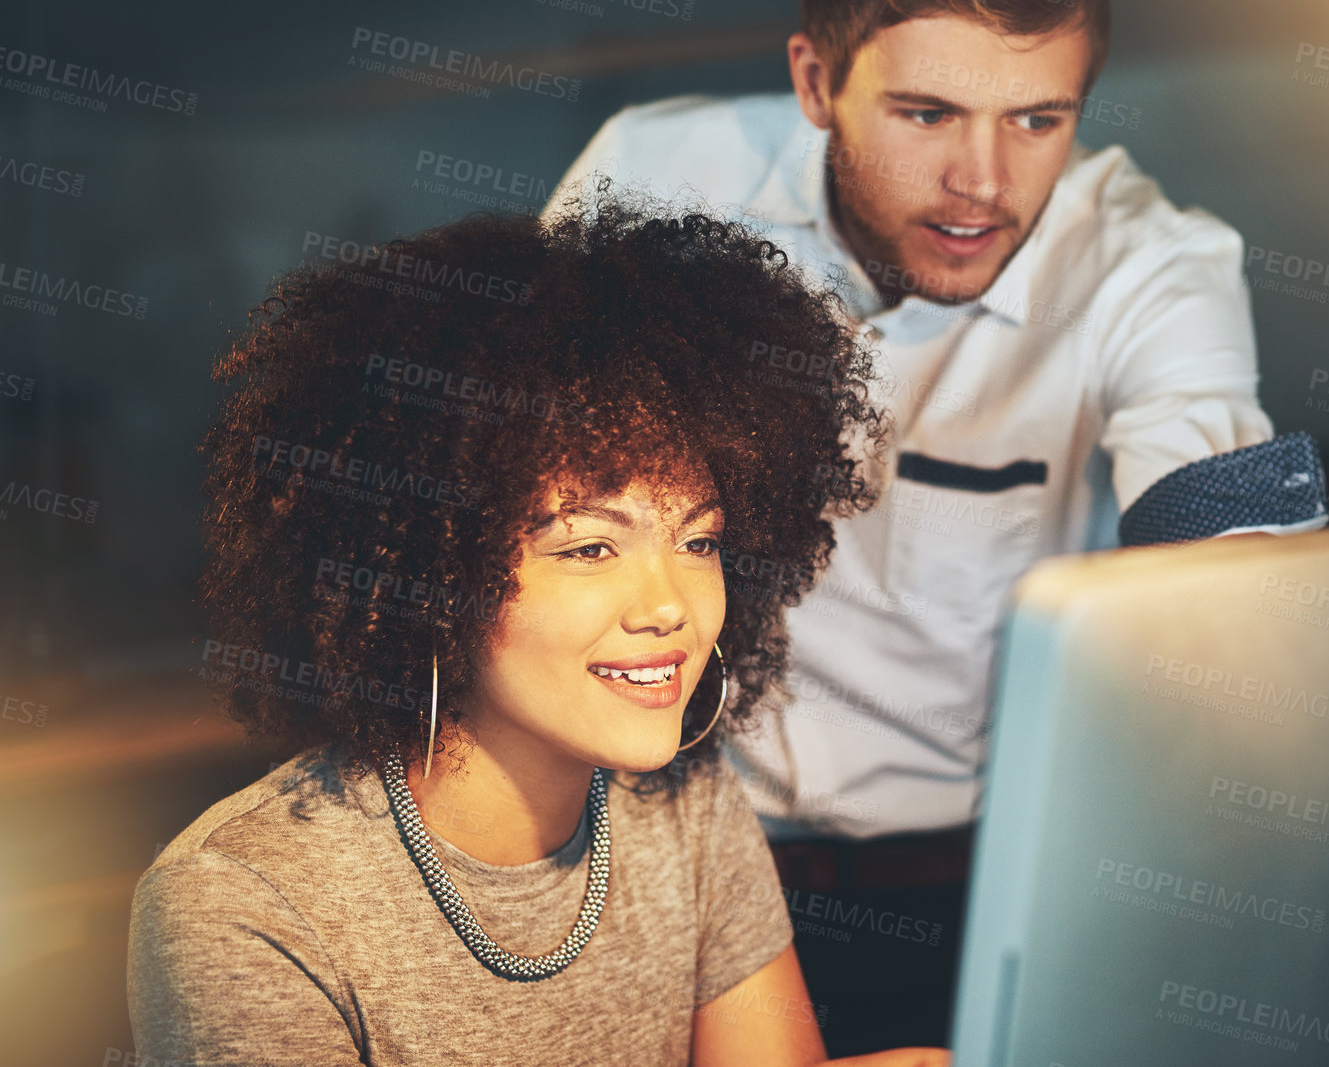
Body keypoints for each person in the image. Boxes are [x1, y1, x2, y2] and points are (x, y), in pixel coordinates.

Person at [545, 0, 1329, 1054]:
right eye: (925, 114)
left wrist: (1268, 652)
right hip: (662, 864)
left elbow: (1216, 520)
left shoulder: (1150, 262)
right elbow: (522, 513)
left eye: (1037, 120)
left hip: (973, 893)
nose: (982, 184)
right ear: (816, 81)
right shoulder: (652, 177)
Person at [126, 203, 948, 1067]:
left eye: (698, 541)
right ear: (428, 570)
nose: (668, 605)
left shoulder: (688, 809)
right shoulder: (242, 903)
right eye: (590, 547)